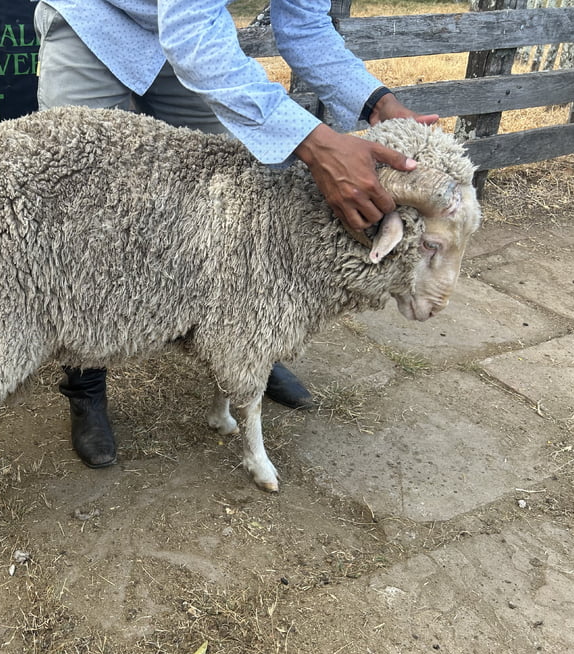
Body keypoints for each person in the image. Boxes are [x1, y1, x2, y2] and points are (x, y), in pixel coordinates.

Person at [33, 0, 439, 469]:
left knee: (228, 197)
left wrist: (378, 102)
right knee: (82, 210)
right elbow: (188, 35)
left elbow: (305, 23)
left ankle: (249, 345)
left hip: (193, 33)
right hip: (96, 20)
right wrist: (315, 144)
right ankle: (85, 383)